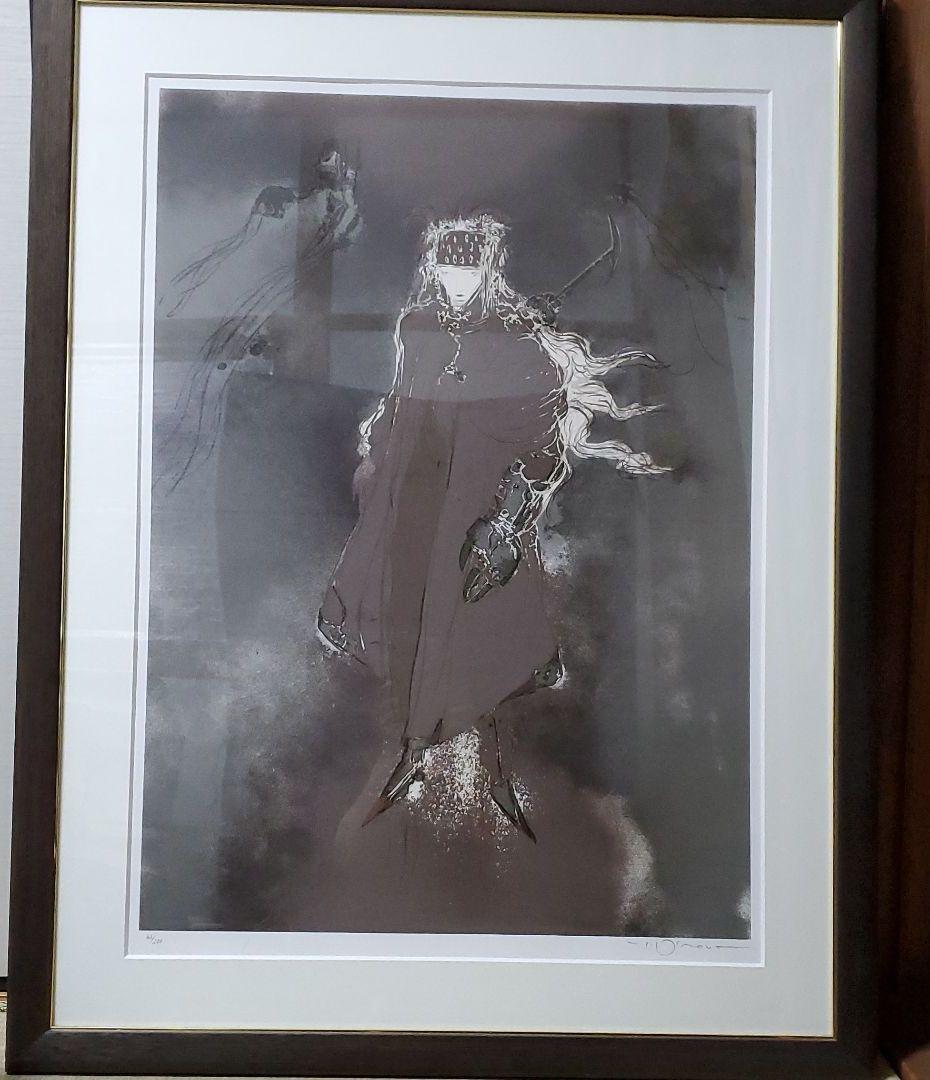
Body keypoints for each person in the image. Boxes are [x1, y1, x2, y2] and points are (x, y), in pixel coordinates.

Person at [318, 214, 667, 839]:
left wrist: (504, 523)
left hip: (476, 509)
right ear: (433, 268)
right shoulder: (417, 326)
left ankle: (490, 775)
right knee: (406, 621)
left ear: (487, 269)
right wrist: (380, 443)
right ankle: (410, 755)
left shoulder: (520, 344)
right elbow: (403, 400)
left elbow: (543, 443)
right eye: (446, 267)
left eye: (468, 268)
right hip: (412, 498)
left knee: (476, 637)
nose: (456, 279)